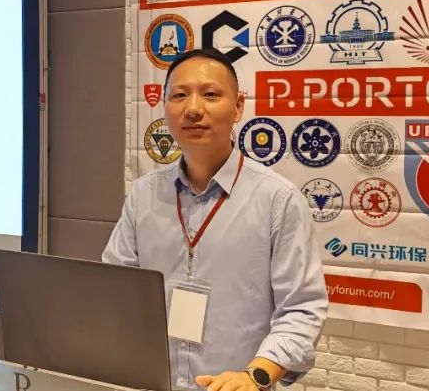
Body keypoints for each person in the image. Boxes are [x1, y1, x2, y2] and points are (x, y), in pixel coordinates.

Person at [103, 49, 327, 390]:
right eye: (179, 95)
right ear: (164, 106)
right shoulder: (144, 195)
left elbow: (302, 308)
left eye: (210, 94)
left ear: (238, 107)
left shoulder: (277, 200)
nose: (193, 109)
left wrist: (255, 376)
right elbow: (115, 288)